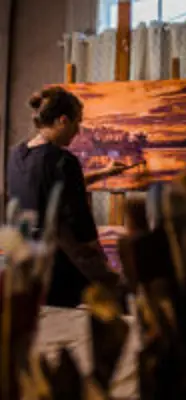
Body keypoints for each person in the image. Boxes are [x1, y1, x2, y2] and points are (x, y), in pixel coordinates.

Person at [7, 86, 127, 308]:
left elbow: (49, 185)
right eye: (76, 123)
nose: (77, 131)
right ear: (63, 120)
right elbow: (79, 224)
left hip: (27, 265)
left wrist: (103, 173)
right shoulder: (64, 161)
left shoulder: (17, 156)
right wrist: (104, 267)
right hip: (60, 270)